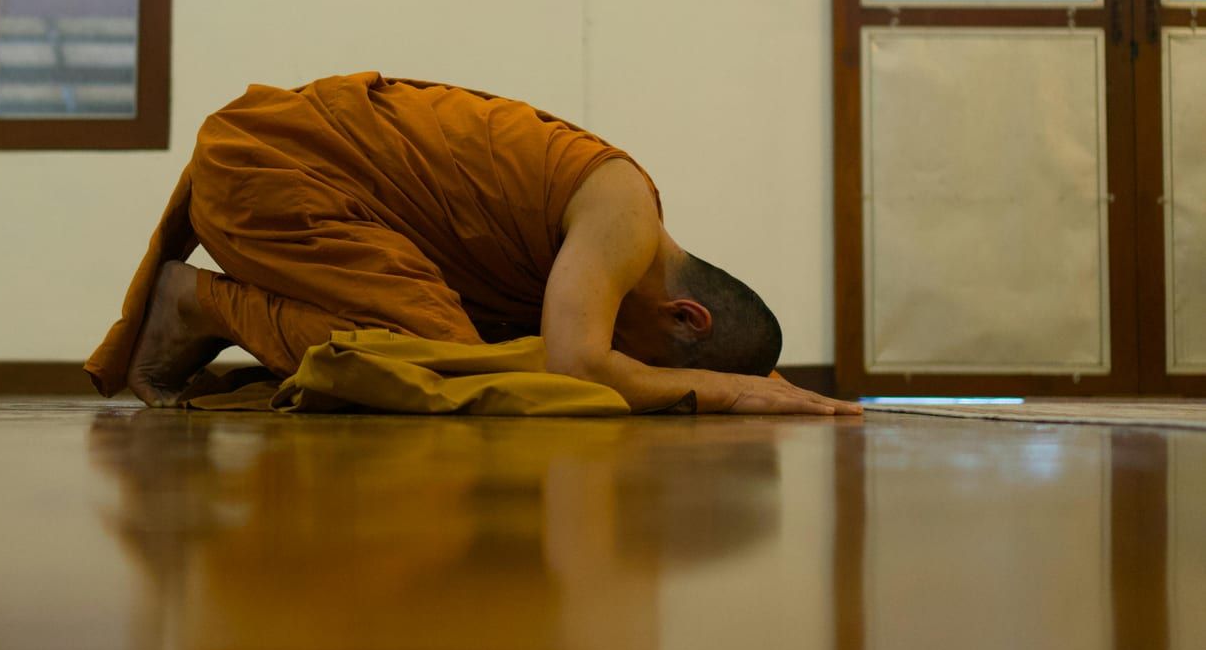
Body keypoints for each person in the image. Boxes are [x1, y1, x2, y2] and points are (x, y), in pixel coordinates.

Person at [86, 73, 861, 417]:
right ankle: (198, 303)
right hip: (275, 167)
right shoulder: (626, 222)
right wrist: (720, 392)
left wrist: (766, 384)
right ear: (687, 317)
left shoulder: (629, 243)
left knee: (489, 354)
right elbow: (579, 365)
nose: (643, 368)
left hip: (291, 176)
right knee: (446, 364)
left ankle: (206, 307)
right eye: (656, 359)